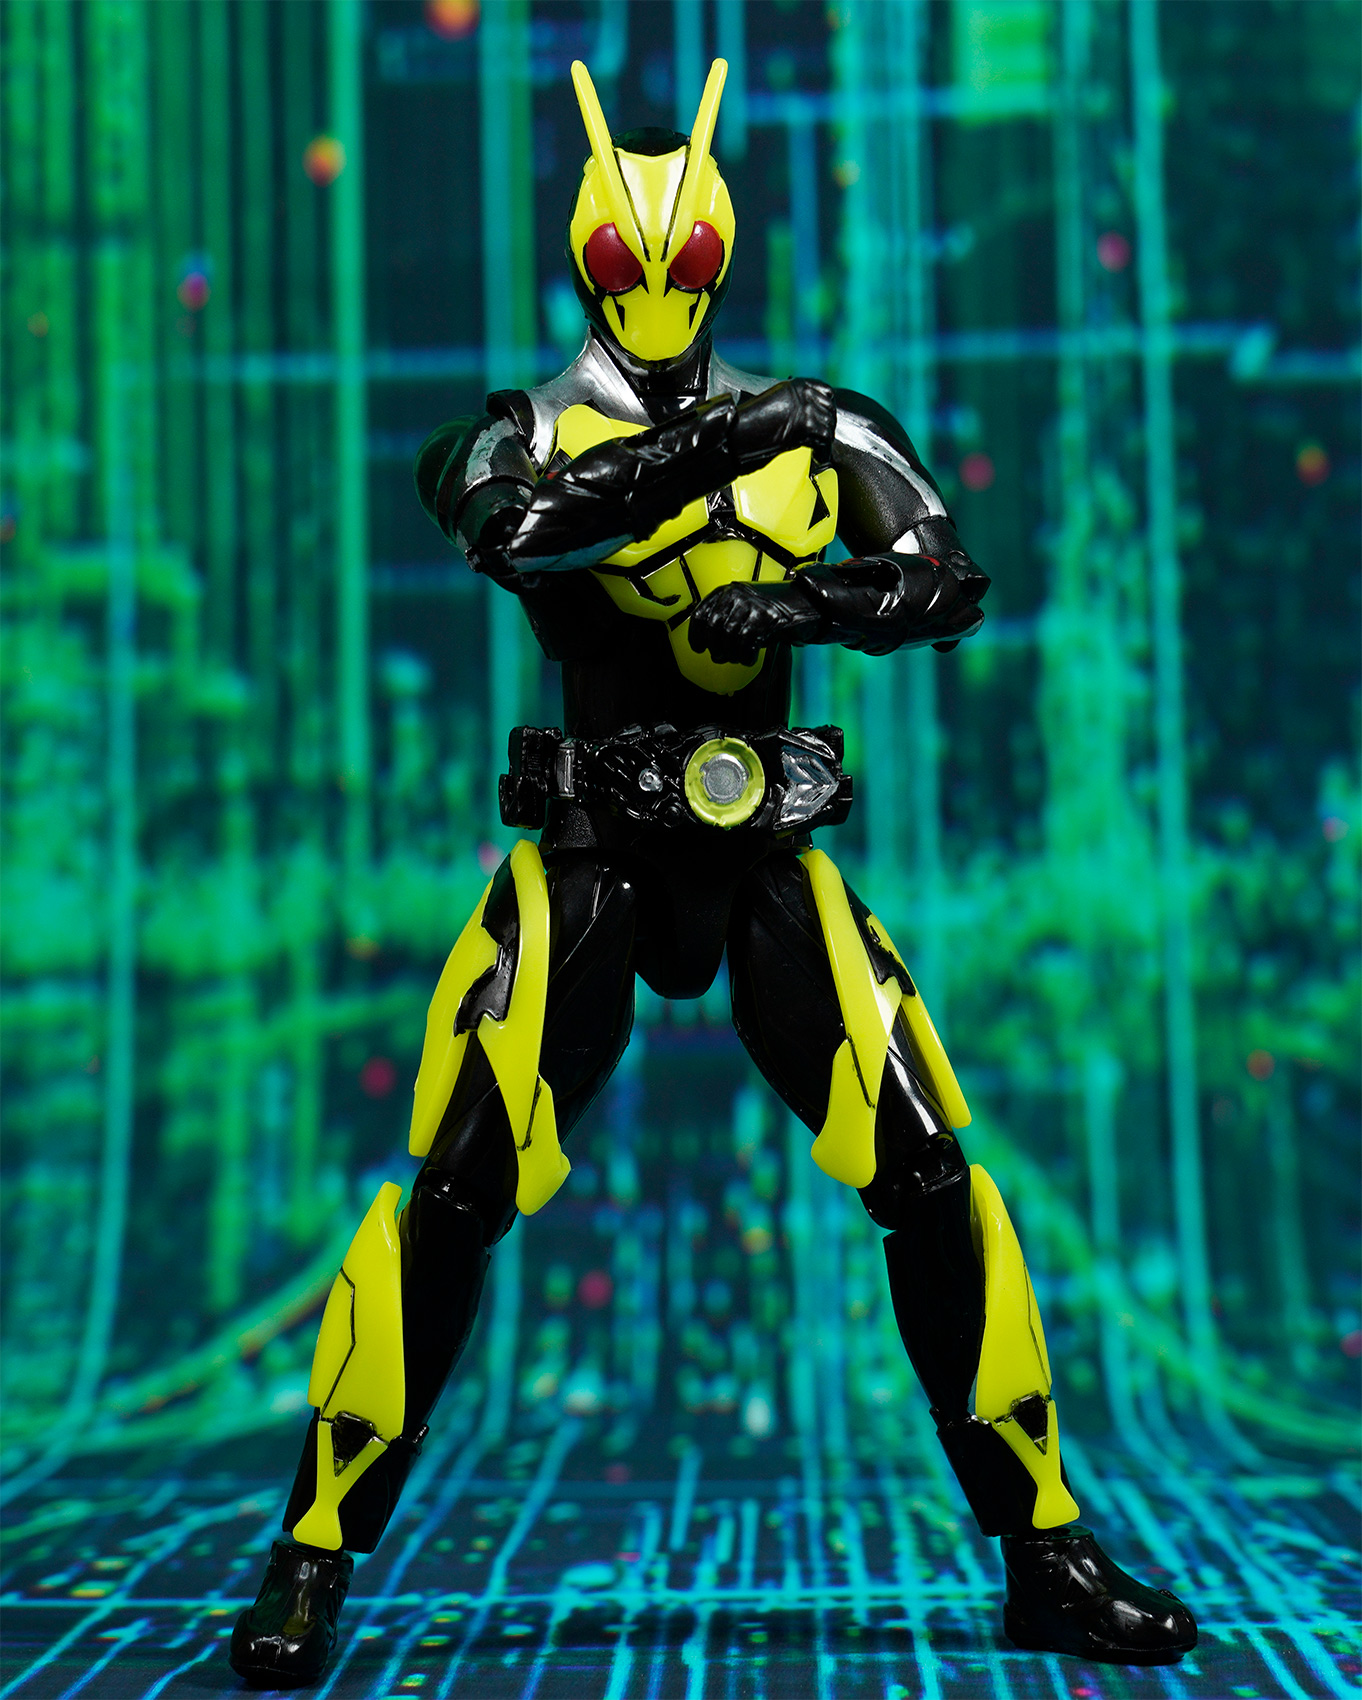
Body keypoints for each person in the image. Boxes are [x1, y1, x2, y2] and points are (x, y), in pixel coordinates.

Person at [231, 58, 1196, 1688]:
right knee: (452, 1192)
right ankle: (310, 1555)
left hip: (760, 866)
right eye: (631, 258)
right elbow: (515, 529)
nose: (658, 283)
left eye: (681, 258)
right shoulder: (528, 429)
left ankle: (1043, 1548)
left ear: (723, 254)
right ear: (584, 257)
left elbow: (944, 578)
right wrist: (728, 441)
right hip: (590, 865)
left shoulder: (820, 426)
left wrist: (803, 602)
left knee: (928, 1171)